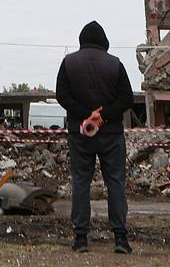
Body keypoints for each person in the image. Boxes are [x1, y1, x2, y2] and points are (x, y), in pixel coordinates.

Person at [55, 21, 135, 254]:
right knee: (116, 183)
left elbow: (62, 95)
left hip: (80, 135)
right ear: (104, 42)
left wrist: (85, 116)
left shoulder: (69, 63)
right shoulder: (115, 64)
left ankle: (80, 239)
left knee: (81, 182)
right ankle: (120, 238)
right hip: (111, 135)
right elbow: (127, 98)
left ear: (82, 40)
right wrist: (103, 116)